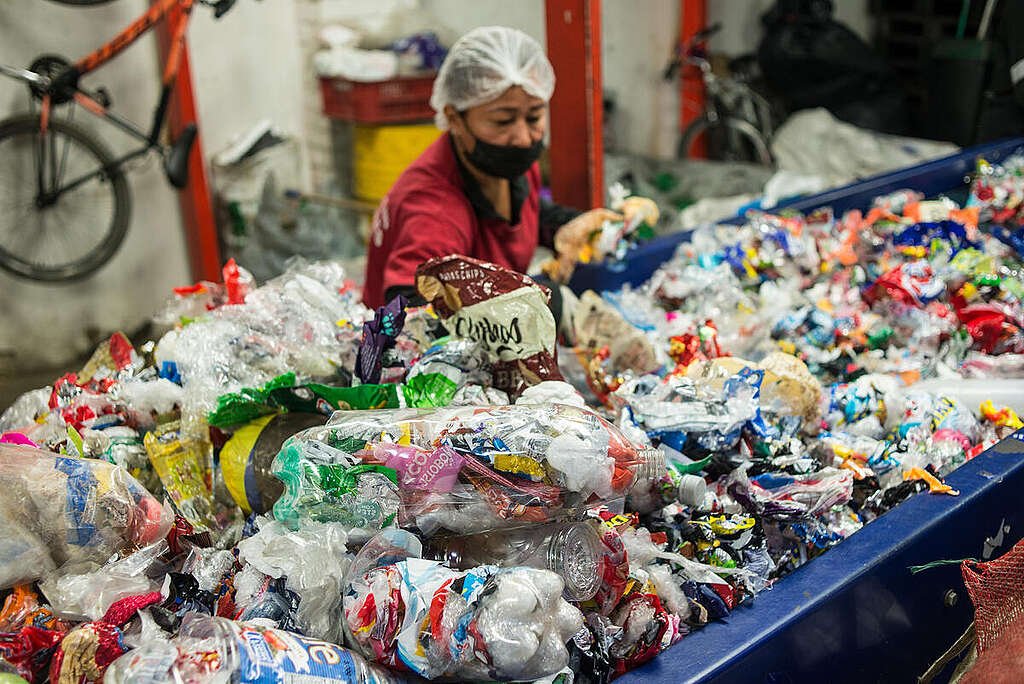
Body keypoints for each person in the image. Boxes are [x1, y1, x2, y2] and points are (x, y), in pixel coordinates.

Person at [361, 26, 653, 314]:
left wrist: (573, 228)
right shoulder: (434, 210)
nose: (524, 138)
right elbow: (410, 312)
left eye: (534, 116)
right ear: (454, 118)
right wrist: (535, 307)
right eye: (503, 121)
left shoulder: (499, 164)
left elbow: (525, 213)